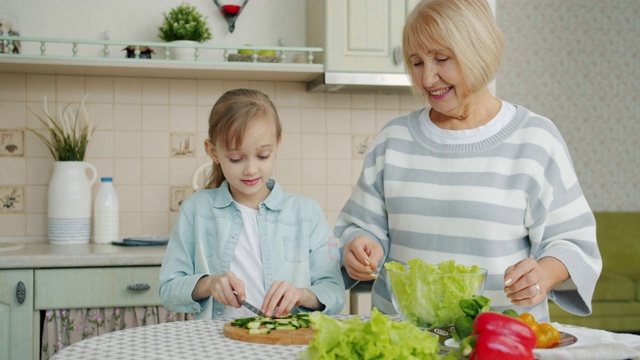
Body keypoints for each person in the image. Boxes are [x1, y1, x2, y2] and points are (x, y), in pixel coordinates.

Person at [335, 0, 601, 322]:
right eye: (416, 62)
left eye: (442, 59)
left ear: (478, 50)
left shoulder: (535, 140)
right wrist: (359, 245)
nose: (428, 78)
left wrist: (543, 274)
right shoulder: (394, 140)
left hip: (498, 339)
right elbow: (360, 227)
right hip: (404, 340)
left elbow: (572, 241)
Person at [160, 88, 345, 319]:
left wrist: (301, 295)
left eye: (262, 156)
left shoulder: (306, 213)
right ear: (213, 151)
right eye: (236, 158)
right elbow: (168, 289)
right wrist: (209, 284)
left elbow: (335, 292)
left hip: (287, 346)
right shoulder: (196, 210)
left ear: (277, 144)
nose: (250, 169)